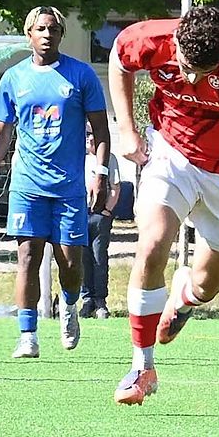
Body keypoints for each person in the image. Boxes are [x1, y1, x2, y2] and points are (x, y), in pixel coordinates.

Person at [108, 5, 219, 404]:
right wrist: (127, 129)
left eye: (205, 72)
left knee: (207, 286)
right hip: (173, 152)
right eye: (187, 67)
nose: (192, 79)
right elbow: (119, 59)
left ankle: (185, 296)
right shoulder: (150, 38)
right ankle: (142, 368)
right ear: (176, 43)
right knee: (152, 244)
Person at [0, 6, 111, 358]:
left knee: (71, 264)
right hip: (27, 186)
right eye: (40, 29)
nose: (47, 35)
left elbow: (101, 130)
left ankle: (69, 306)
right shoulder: (14, 78)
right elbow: (1, 132)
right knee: (27, 257)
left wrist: (100, 174)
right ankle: (28, 335)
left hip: (69, 188)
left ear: (61, 34)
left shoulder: (81, 75)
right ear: (29, 34)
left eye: (53, 29)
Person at [80, 123, 121, 319]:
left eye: (93, 134)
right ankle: (86, 299)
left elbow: (115, 187)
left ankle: (100, 301)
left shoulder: (109, 159)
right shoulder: (79, 158)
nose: (90, 138)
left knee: (98, 257)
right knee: (82, 257)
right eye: (87, 134)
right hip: (80, 215)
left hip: (99, 216)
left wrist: (106, 210)